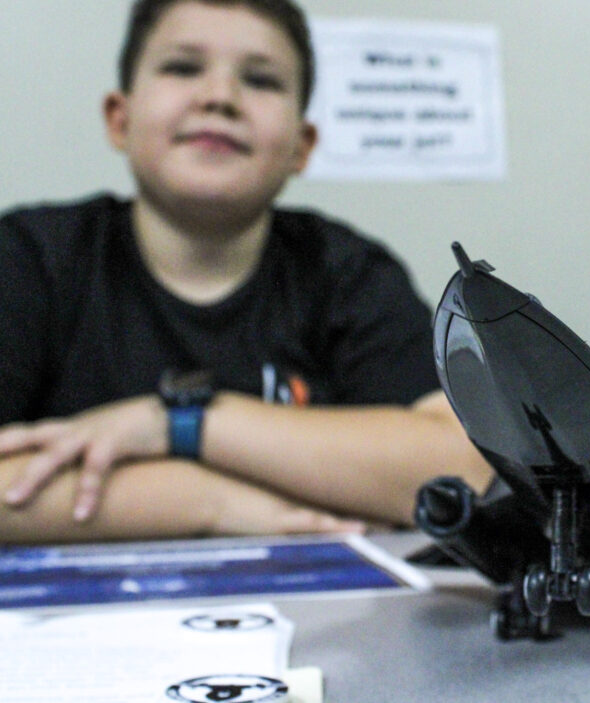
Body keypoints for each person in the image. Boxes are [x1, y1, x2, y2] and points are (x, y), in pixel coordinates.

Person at [0, 0, 492, 543]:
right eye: (182, 67)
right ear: (121, 119)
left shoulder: (347, 273)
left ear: (302, 146)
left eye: (261, 80)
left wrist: (181, 424)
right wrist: (209, 502)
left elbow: (464, 472)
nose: (219, 97)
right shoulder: (29, 259)